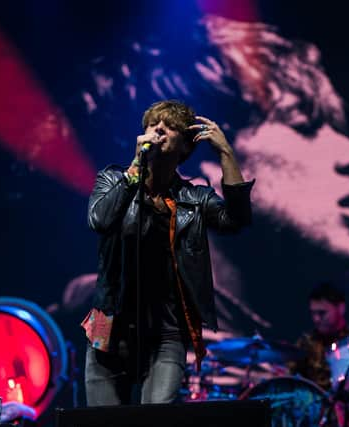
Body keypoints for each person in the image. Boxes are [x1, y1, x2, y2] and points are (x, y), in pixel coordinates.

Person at [81, 99, 254, 405]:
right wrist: (136, 167)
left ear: (184, 148)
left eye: (170, 126)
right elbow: (100, 220)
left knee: (157, 419)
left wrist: (226, 152)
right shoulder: (112, 179)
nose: (158, 129)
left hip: (166, 333)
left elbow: (236, 219)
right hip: (109, 329)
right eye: (152, 124)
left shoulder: (194, 198)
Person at [290, 282, 349, 391]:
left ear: (341, 308)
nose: (316, 319)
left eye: (322, 313)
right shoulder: (306, 342)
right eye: (313, 313)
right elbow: (289, 375)